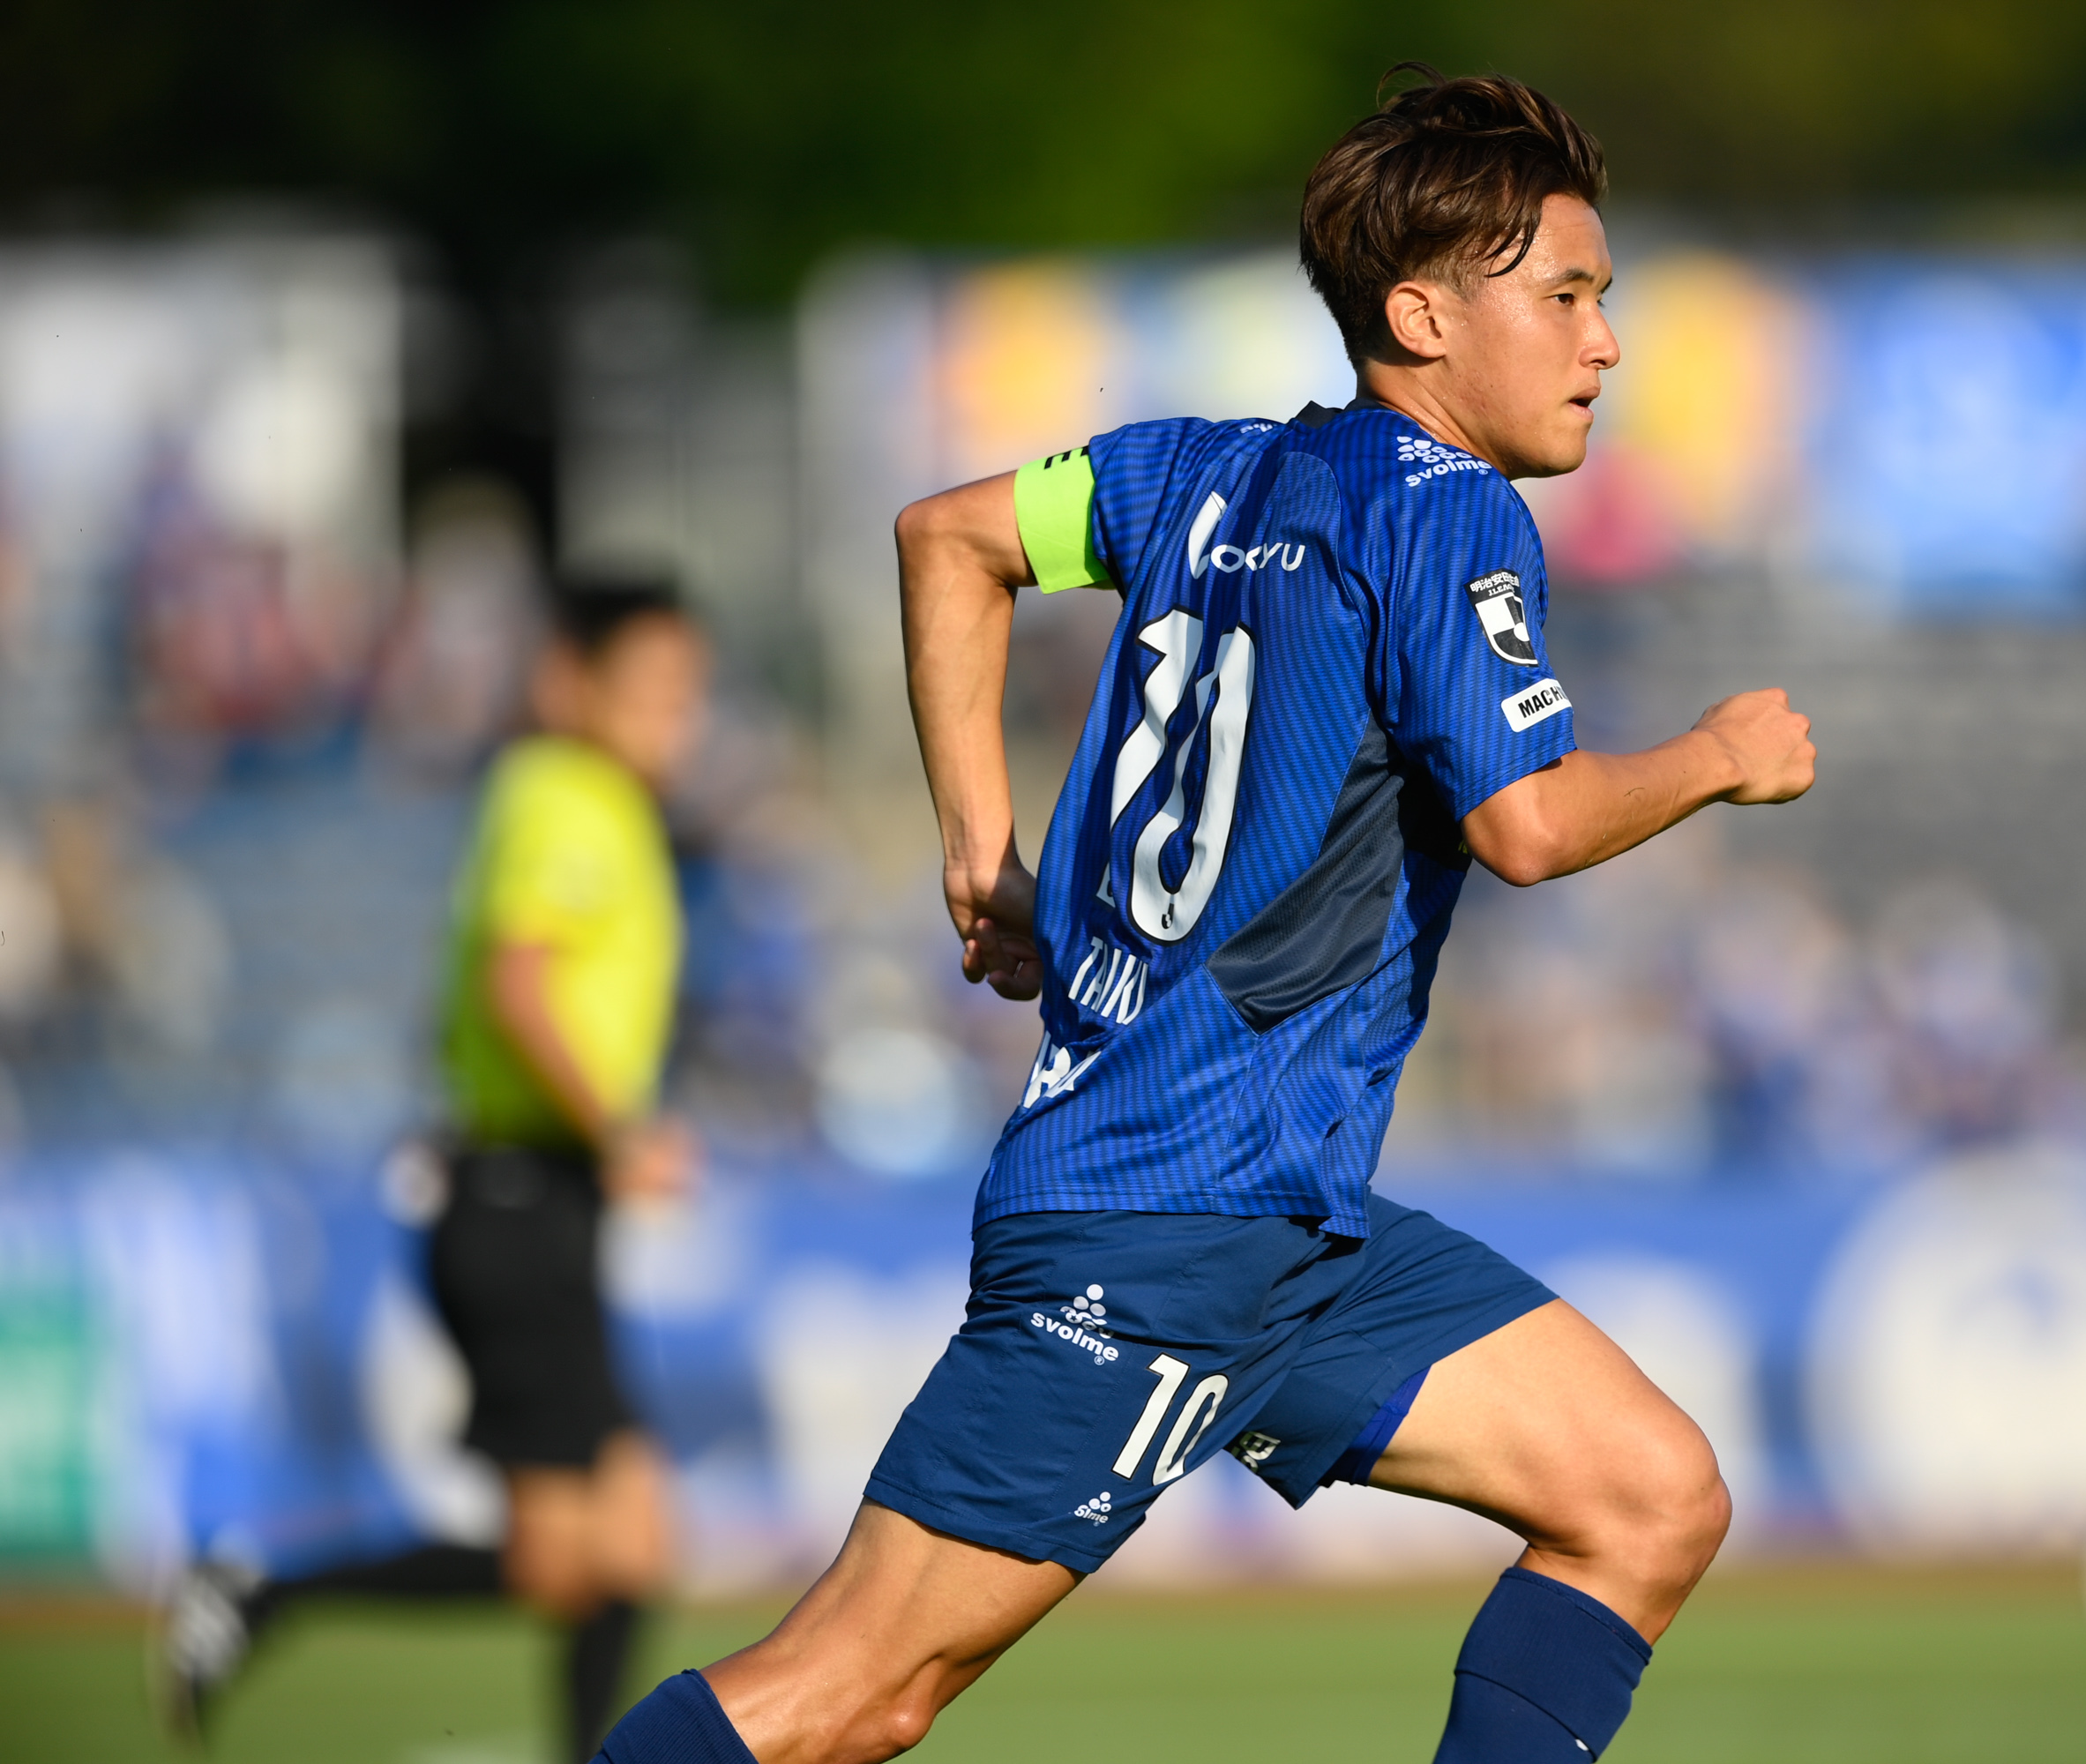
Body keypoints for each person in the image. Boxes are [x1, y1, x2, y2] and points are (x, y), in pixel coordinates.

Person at [594, 66, 1814, 1764]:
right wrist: (1715, 758)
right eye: (1566, 297)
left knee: (1647, 1493)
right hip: (1167, 1222)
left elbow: (948, 538)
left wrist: (980, 852)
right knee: (847, 1698)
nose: (1606, 343)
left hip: (1281, 1228)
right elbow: (1530, 825)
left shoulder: (1195, 473)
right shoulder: (1444, 507)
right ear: (1423, 317)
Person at [161, 568, 707, 1762]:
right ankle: (259, 1592)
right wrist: (618, 1128)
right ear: (569, 683)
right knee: (569, 1557)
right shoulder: (565, 792)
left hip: (537, 1198)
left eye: (686, 692)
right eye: (651, 689)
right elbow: (519, 983)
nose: (677, 718)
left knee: (632, 1543)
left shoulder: (588, 800)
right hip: (519, 1199)